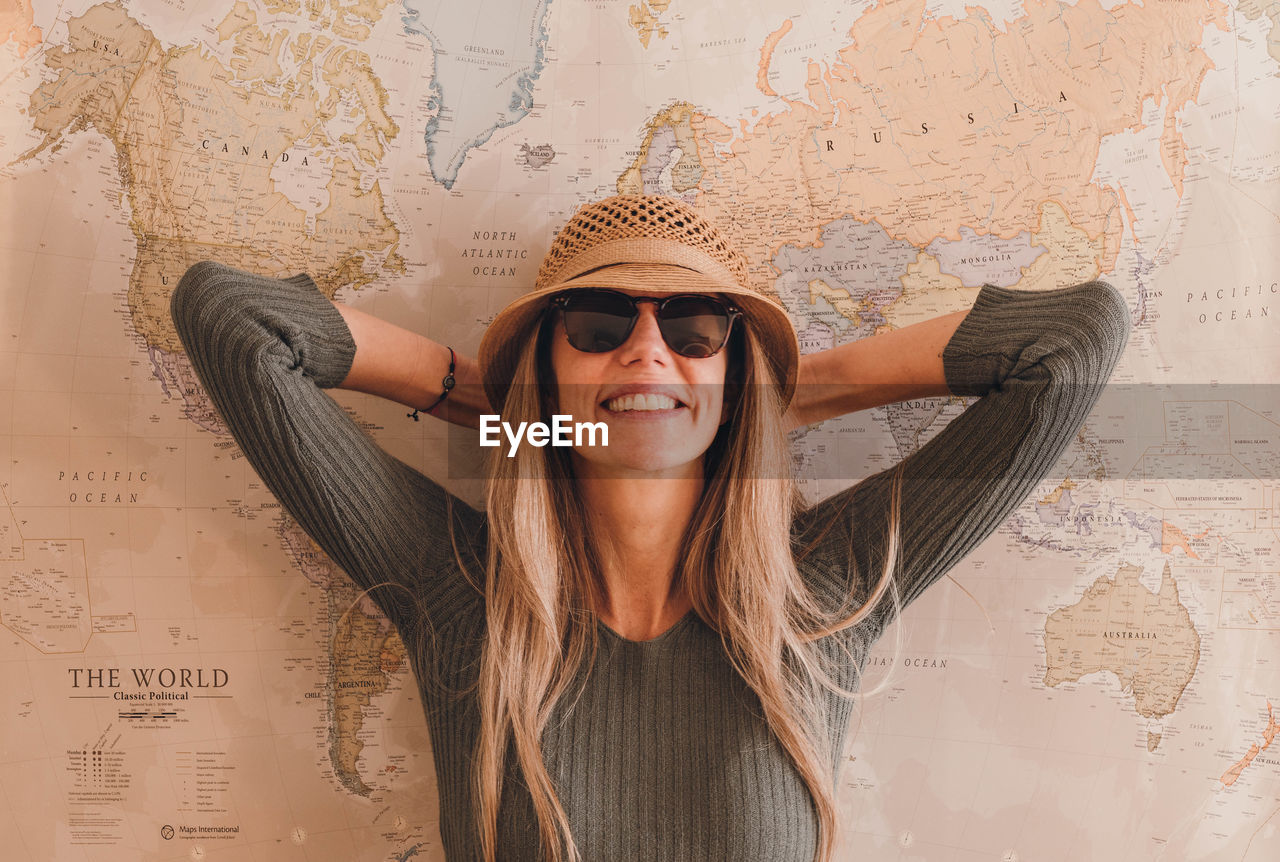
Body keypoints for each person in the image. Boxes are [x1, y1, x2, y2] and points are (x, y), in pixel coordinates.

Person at [169, 194, 1130, 862]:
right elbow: (233, 319)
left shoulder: (821, 596)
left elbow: (1069, 344)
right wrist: (513, 407)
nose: (644, 347)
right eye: (594, 322)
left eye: (697, 328)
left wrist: (770, 392)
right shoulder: (461, 591)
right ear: (551, 358)